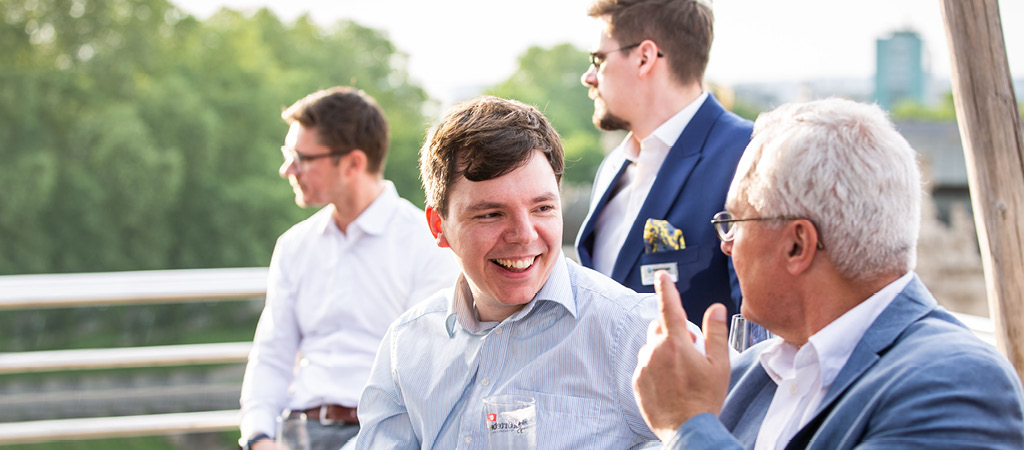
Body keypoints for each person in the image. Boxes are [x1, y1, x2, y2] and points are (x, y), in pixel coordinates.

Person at [632, 98, 1024, 449]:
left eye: (735, 221)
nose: (726, 244)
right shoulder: (750, 372)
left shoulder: (957, 382)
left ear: (797, 245)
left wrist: (687, 425)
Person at [354, 96, 702, 449]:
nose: (523, 234)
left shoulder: (633, 333)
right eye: (491, 214)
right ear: (438, 226)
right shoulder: (406, 345)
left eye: (543, 208)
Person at [238, 87, 459, 450]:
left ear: (353, 163)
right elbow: (272, 354)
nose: (287, 169)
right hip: (295, 434)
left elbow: (426, 373)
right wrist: (258, 436)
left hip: (384, 436)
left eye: (300, 157)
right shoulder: (294, 246)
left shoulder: (427, 242)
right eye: (288, 155)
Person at [575, 0, 754, 323]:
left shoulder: (750, 155)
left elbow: (760, 331)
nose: (588, 77)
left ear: (644, 58)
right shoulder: (613, 166)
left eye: (598, 59)